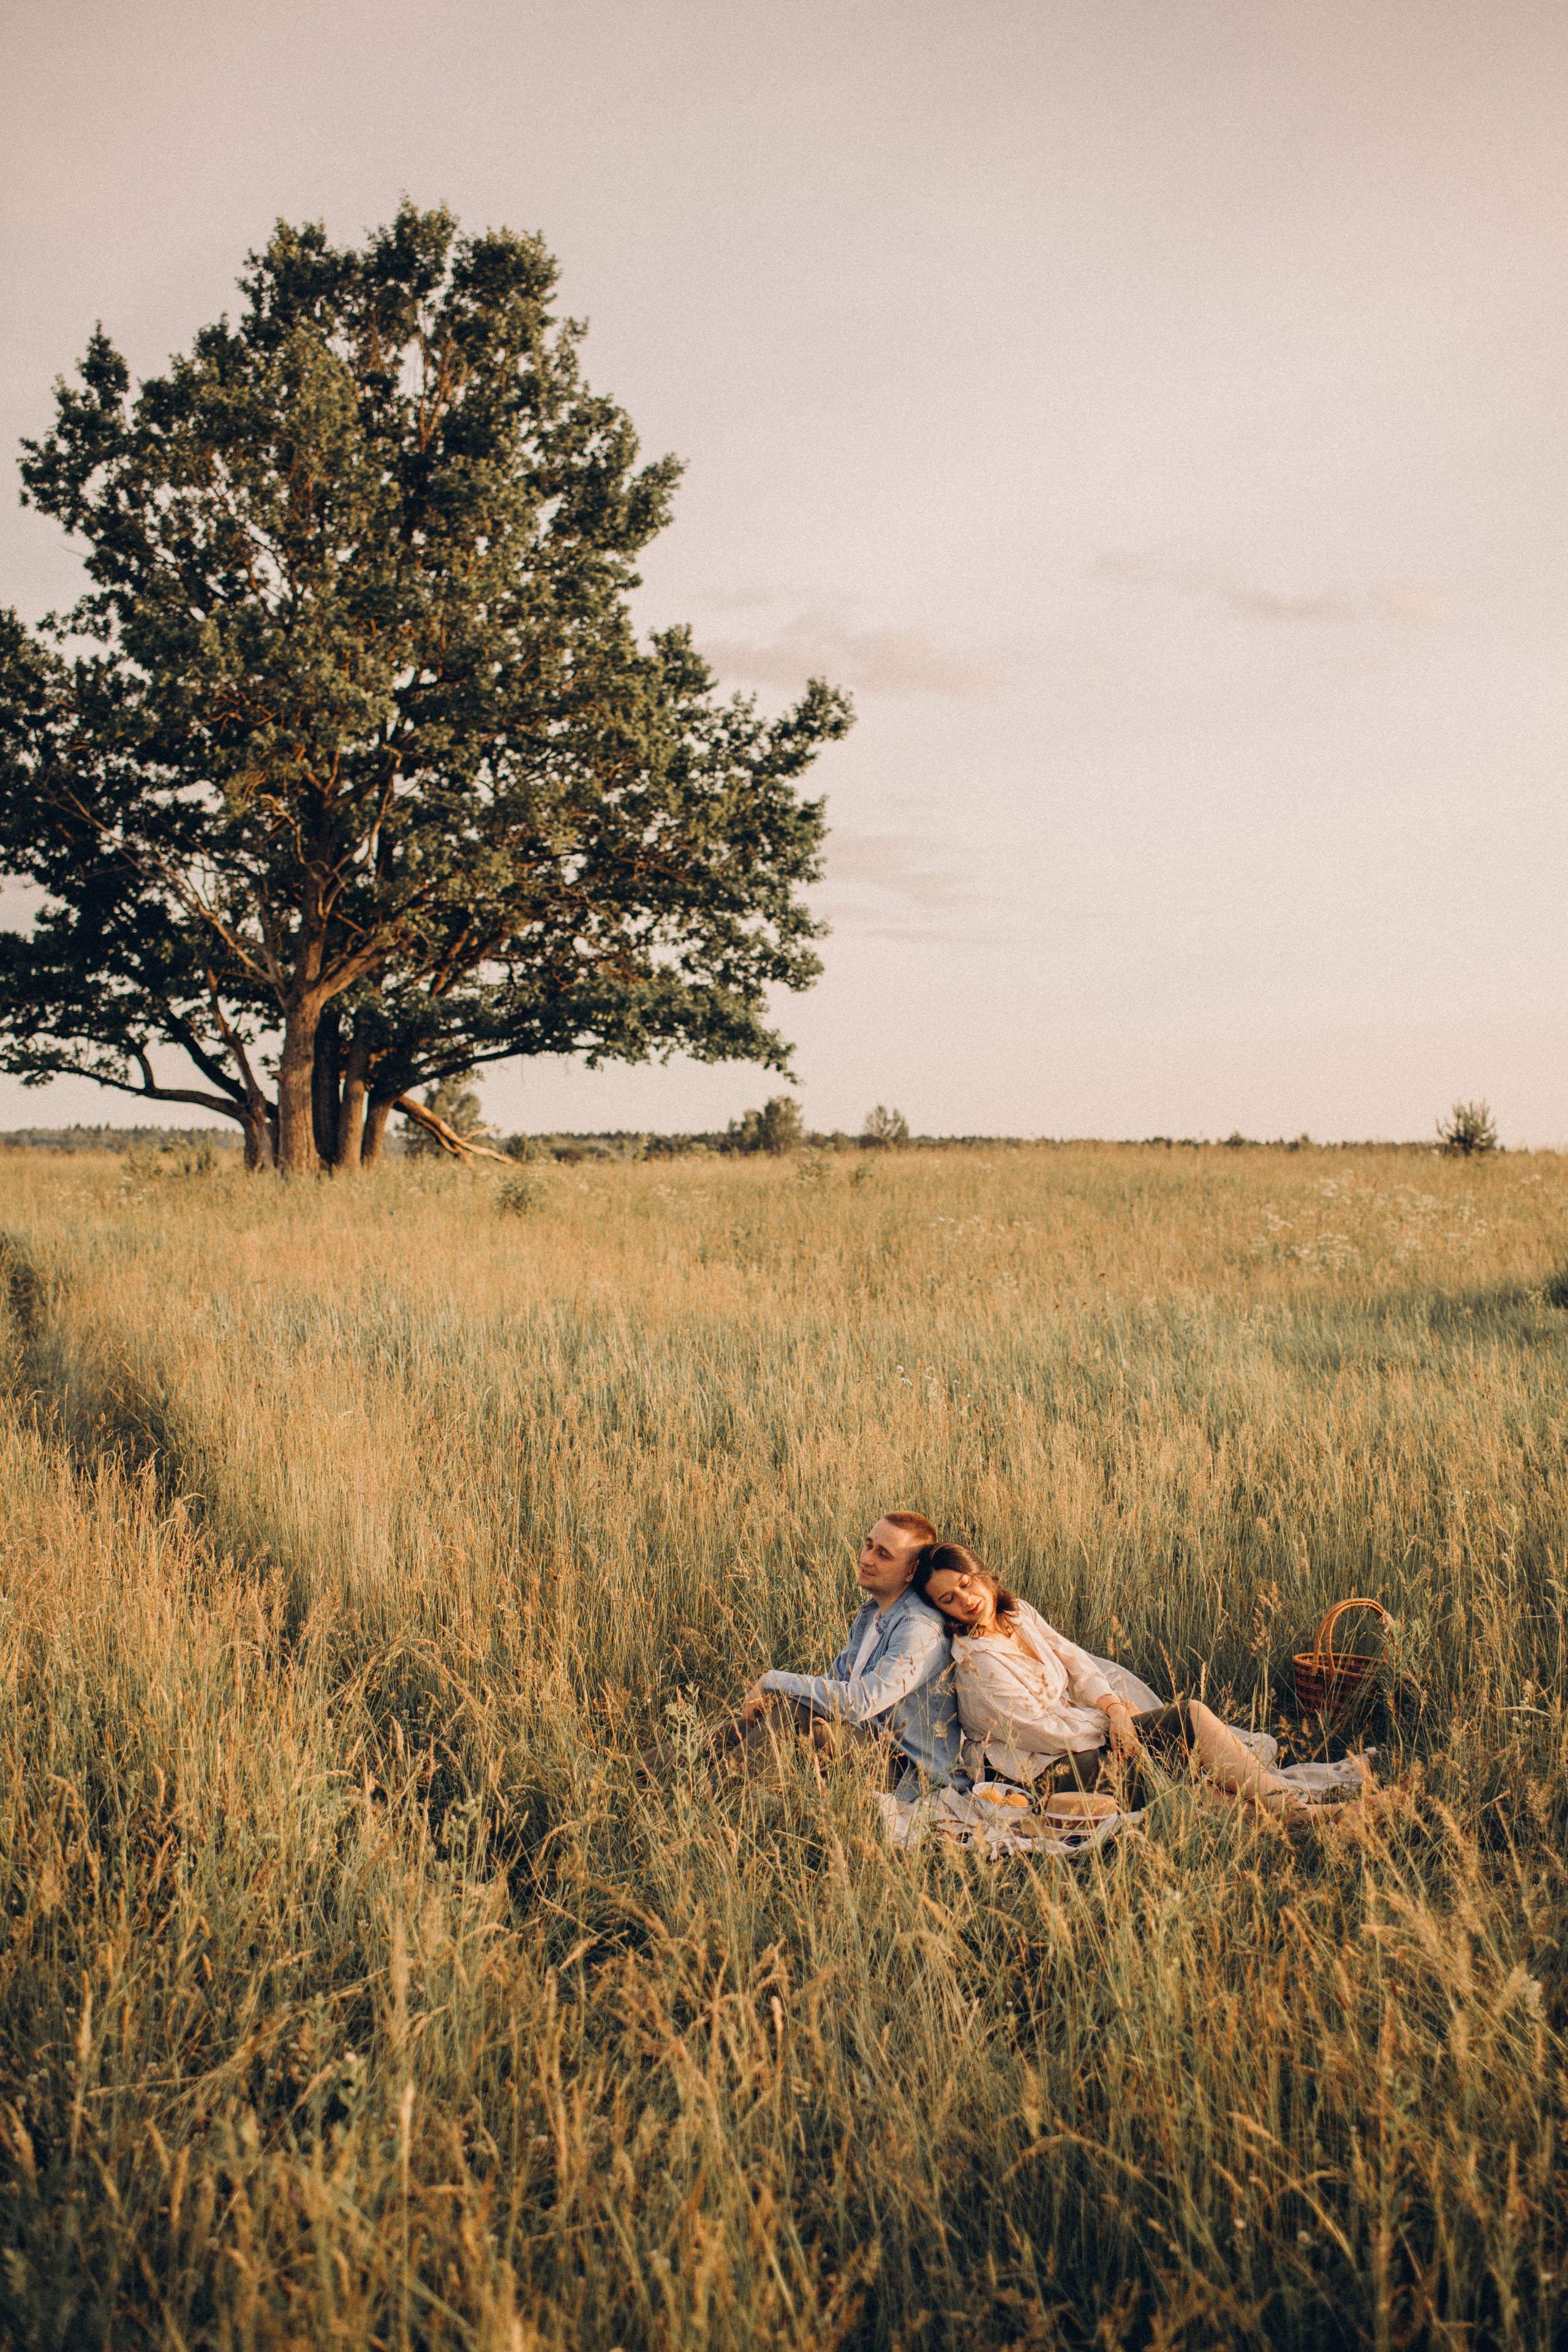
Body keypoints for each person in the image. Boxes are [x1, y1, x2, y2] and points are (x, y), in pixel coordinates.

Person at [911, 1543, 1304, 1813]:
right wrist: (1115, 1724)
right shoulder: (975, 1662)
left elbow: (1076, 1662)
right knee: (1179, 1782)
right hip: (1044, 1768)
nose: (965, 1599)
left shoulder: (1017, 1616)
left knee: (1192, 1718)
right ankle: (1306, 1821)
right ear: (943, 1611)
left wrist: (1114, 1707)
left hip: (1085, 1734)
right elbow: (1039, 1731)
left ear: (981, 1574)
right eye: (949, 1599)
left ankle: (1291, 1808)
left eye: (966, 1583)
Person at [641, 1512, 962, 1794]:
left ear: (912, 1571)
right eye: (868, 1545)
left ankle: (714, 1796)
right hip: (862, 1742)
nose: (867, 1559)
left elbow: (859, 1702)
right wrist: (780, 1696)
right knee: (768, 1717)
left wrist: (773, 1680)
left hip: (906, 1770)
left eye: (884, 1554)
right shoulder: (872, 1614)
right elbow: (835, 1684)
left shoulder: (919, 1628)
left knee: (796, 1712)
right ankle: (637, 1772)